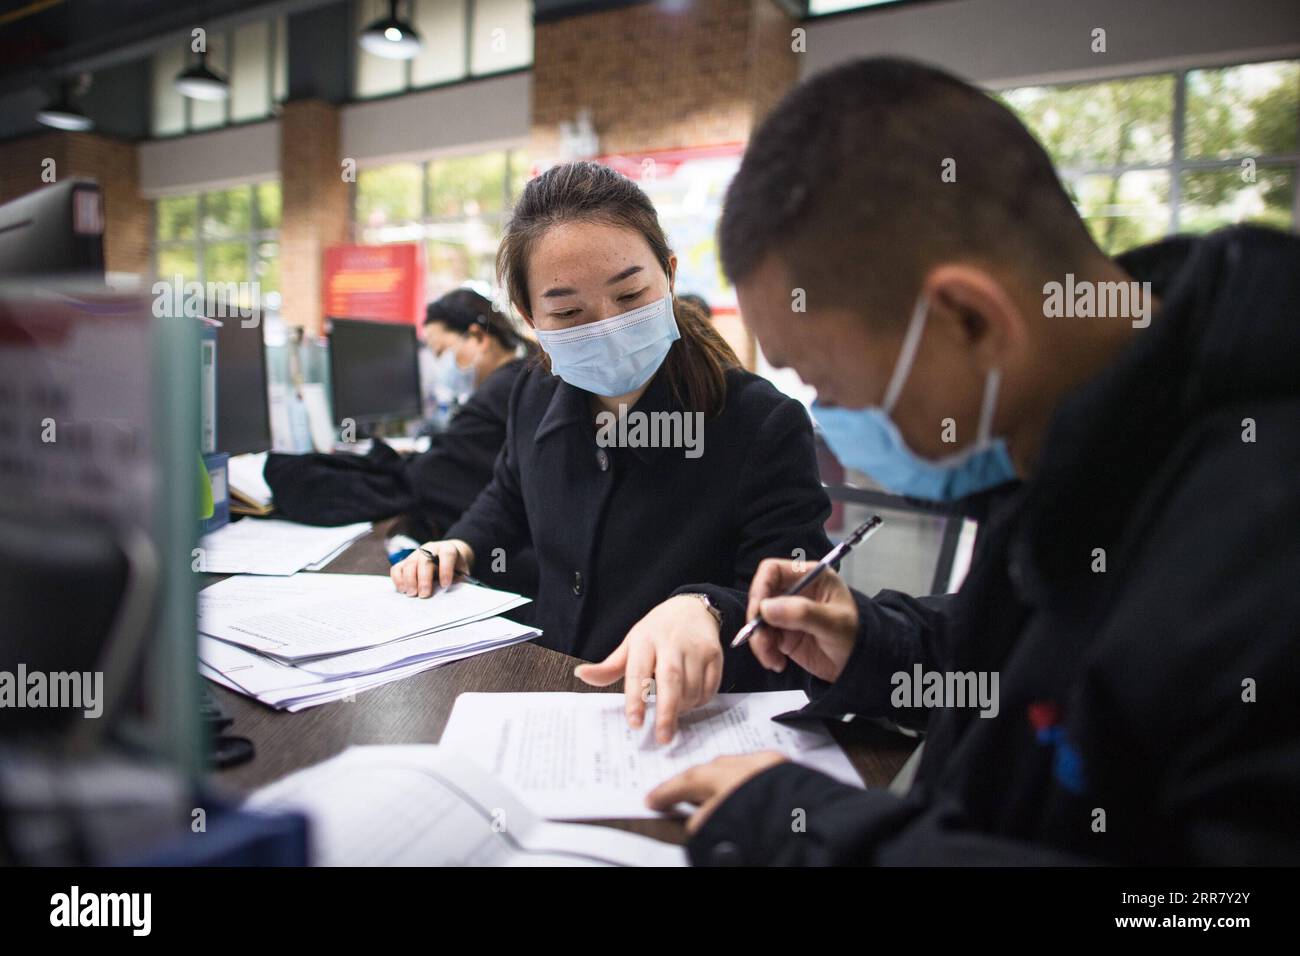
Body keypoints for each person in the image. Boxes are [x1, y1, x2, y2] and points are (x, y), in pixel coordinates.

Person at [646, 57, 1300, 865]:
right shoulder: (1076, 427)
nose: (831, 418)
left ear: (969, 321)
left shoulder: (1264, 549)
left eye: (828, 381)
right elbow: (1040, 662)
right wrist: (875, 643)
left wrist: (821, 832)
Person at [391, 161, 832, 742]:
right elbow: (509, 498)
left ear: (669, 276)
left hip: (686, 723)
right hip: (550, 694)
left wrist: (708, 607)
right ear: (530, 318)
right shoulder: (532, 392)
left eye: (630, 294)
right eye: (569, 312)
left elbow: (796, 600)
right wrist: (461, 546)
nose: (607, 326)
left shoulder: (759, 423)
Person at [265, 289, 539, 596]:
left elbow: (428, 477)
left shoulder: (502, 390)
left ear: (477, 337)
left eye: (441, 352)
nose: (440, 367)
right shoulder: (521, 376)